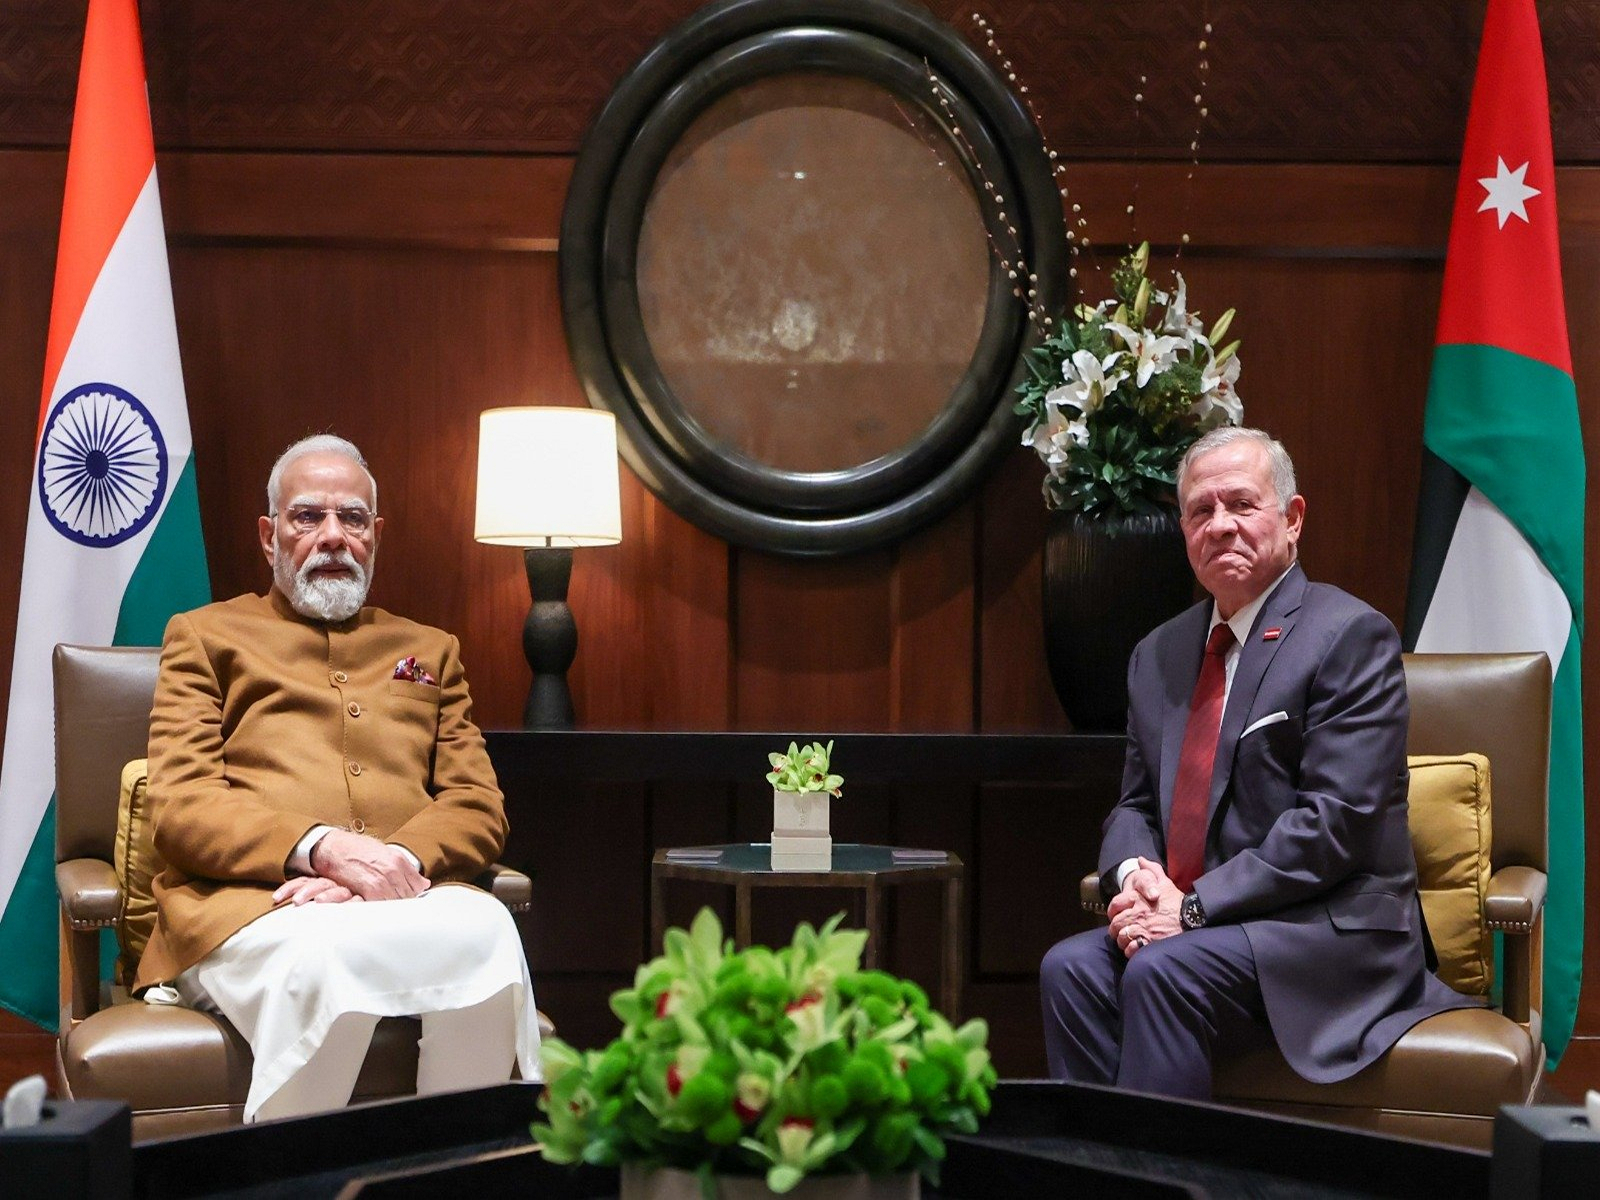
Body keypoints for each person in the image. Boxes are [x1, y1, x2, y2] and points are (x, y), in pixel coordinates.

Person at [1039, 426, 1472, 1098]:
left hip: (1326, 930)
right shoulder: (1157, 654)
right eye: (1200, 511)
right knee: (1069, 967)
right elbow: (1133, 805)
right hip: (1200, 923)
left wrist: (1190, 911)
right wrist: (1136, 878)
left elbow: (1335, 823)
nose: (1220, 525)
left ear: (1292, 520)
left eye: (1241, 504)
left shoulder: (1348, 636)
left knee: (1163, 971)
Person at [134, 433, 539, 1122]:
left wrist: (391, 864)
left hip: (403, 893)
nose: (332, 537)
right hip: (257, 906)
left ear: (375, 536)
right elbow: (181, 807)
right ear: (269, 536)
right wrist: (323, 848)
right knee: (326, 961)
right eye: (306, 517)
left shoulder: (428, 650)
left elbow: (476, 804)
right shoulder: (205, 637)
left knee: (490, 931)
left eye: (351, 519)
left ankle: (446, 1168)